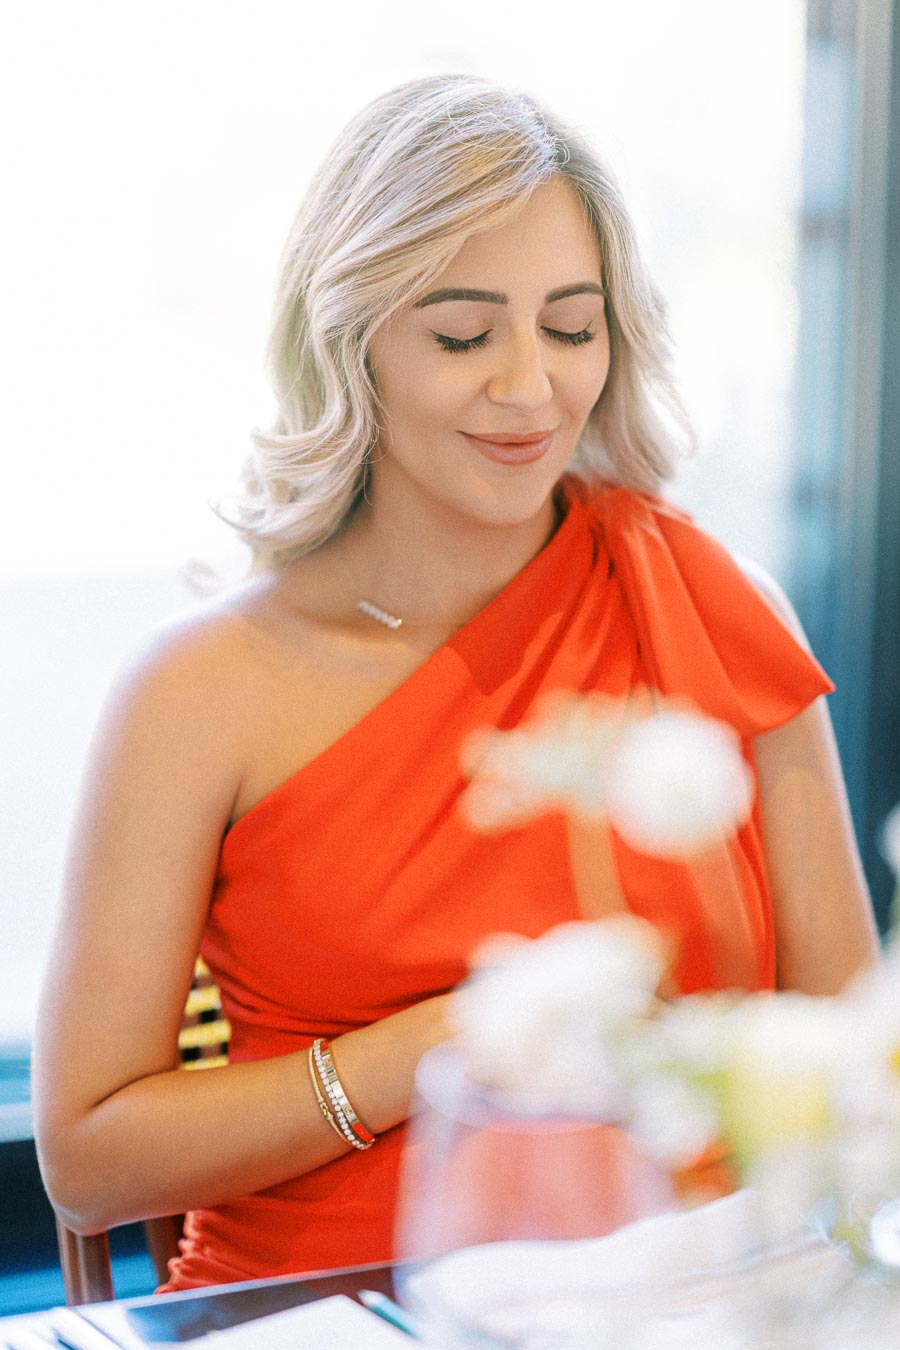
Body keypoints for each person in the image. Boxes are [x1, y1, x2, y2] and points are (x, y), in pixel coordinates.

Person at [32, 74, 879, 1290]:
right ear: (351, 340)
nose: (530, 389)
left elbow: (847, 1058)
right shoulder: (201, 693)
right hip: (332, 1307)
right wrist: (436, 1051)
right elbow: (88, 1161)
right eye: (463, 335)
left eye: (572, 327)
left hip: (692, 1294)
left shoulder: (710, 604)